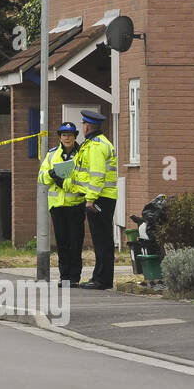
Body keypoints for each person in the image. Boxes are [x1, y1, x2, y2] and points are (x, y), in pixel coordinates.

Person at [72, 109, 118, 289]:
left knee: (102, 241)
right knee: (100, 240)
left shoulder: (97, 146)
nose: (83, 127)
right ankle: (98, 276)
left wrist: (90, 199)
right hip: (101, 197)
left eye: (83, 124)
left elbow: (97, 175)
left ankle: (102, 280)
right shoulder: (94, 144)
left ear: (87, 126)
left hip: (100, 198)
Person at [38, 121, 85, 285]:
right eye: (64, 135)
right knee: (62, 242)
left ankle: (75, 277)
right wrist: (51, 174)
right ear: (59, 137)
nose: (67, 138)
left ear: (75, 137)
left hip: (76, 204)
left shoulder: (82, 154)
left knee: (76, 242)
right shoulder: (51, 155)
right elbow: (41, 178)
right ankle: (64, 276)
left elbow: (85, 176)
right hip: (57, 206)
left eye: (70, 135)